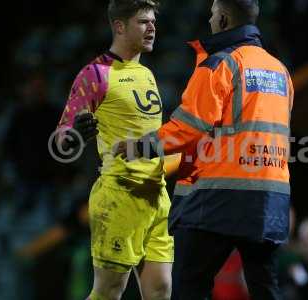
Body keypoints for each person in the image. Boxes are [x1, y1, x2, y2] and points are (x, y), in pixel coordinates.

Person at [113, 0, 294, 299]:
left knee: (190, 286)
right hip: (271, 200)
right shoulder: (280, 71)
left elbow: (188, 129)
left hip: (219, 200)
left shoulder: (219, 64)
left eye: (212, 14)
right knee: (266, 289)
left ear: (223, 19)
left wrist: (139, 146)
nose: (210, 19)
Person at [55, 1, 179, 299]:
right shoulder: (95, 73)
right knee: (109, 291)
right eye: (142, 22)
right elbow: (62, 134)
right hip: (120, 196)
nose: (152, 28)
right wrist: (73, 137)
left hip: (156, 194)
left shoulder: (146, 74)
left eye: (153, 22)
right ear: (119, 26)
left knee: (161, 290)